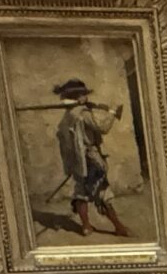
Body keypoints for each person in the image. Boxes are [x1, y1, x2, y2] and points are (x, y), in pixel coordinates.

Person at [42, 78, 132, 238]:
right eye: (83, 94)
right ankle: (119, 228)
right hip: (91, 159)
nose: (86, 97)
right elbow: (102, 128)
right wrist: (111, 113)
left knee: (81, 191)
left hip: (78, 162)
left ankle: (86, 227)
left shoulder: (67, 117)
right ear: (78, 97)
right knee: (102, 191)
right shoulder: (82, 114)